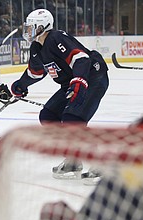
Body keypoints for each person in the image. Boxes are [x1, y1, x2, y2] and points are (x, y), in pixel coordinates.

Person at [7, 9, 109, 179]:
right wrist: (20, 85)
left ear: (43, 26)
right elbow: (35, 73)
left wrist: (79, 81)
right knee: (48, 116)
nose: (28, 31)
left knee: (72, 120)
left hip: (91, 78)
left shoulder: (57, 38)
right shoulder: (36, 47)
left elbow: (81, 59)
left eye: (31, 27)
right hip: (72, 83)